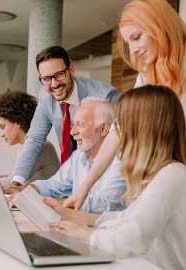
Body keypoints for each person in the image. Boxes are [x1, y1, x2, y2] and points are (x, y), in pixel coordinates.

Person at [63, 0, 186, 253]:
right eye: (128, 43)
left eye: (137, 37)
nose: (134, 50)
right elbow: (119, 131)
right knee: (164, 251)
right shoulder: (147, 76)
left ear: (160, 26)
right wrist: (84, 188)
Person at [48, 85, 186, 270]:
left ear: (142, 130)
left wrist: (83, 233)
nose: (117, 135)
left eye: (121, 125)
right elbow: (127, 218)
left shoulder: (172, 177)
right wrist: (80, 218)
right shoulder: (164, 174)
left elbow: (129, 239)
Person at [7, 46, 120, 190]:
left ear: (71, 70)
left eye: (59, 74)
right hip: (69, 174)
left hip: (104, 175)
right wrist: (17, 182)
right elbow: (35, 138)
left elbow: (124, 139)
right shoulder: (46, 95)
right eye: (46, 78)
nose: (54, 84)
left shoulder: (105, 96)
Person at [22, 98, 126, 214]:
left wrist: (56, 203)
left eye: (80, 125)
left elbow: (107, 204)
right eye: (73, 125)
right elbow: (54, 185)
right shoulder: (78, 156)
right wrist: (27, 190)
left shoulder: (122, 159)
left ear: (103, 129)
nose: (72, 132)